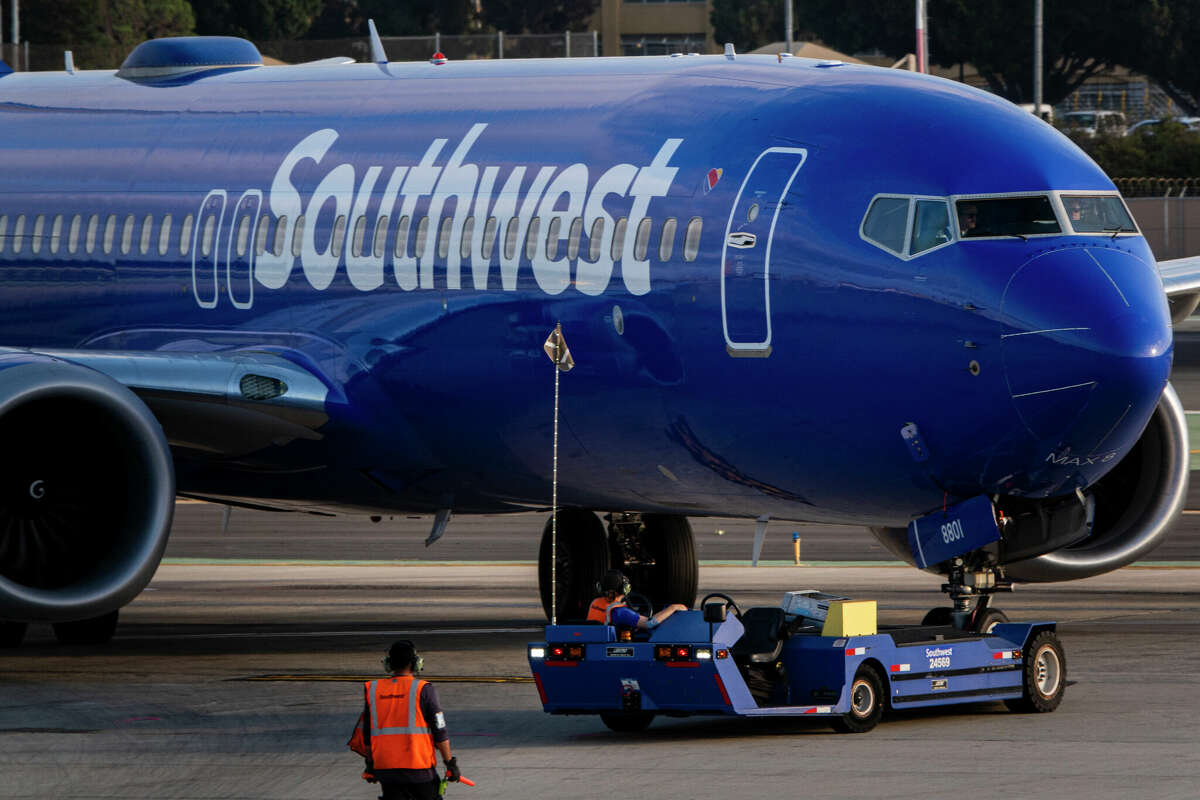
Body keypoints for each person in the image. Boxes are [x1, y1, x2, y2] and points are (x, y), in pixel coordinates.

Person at [348, 640, 460, 800]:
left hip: (387, 770)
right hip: (418, 768)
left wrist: (370, 764)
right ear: (415, 663)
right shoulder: (423, 689)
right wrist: (450, 763)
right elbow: (440, 731)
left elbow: (367, 734)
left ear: (388, 664)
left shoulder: (373, 690)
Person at [586, 569, 688, 630]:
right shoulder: (620, 612)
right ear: (625, 589)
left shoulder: (595, 603)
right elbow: (649, 624)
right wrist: (673, 608)